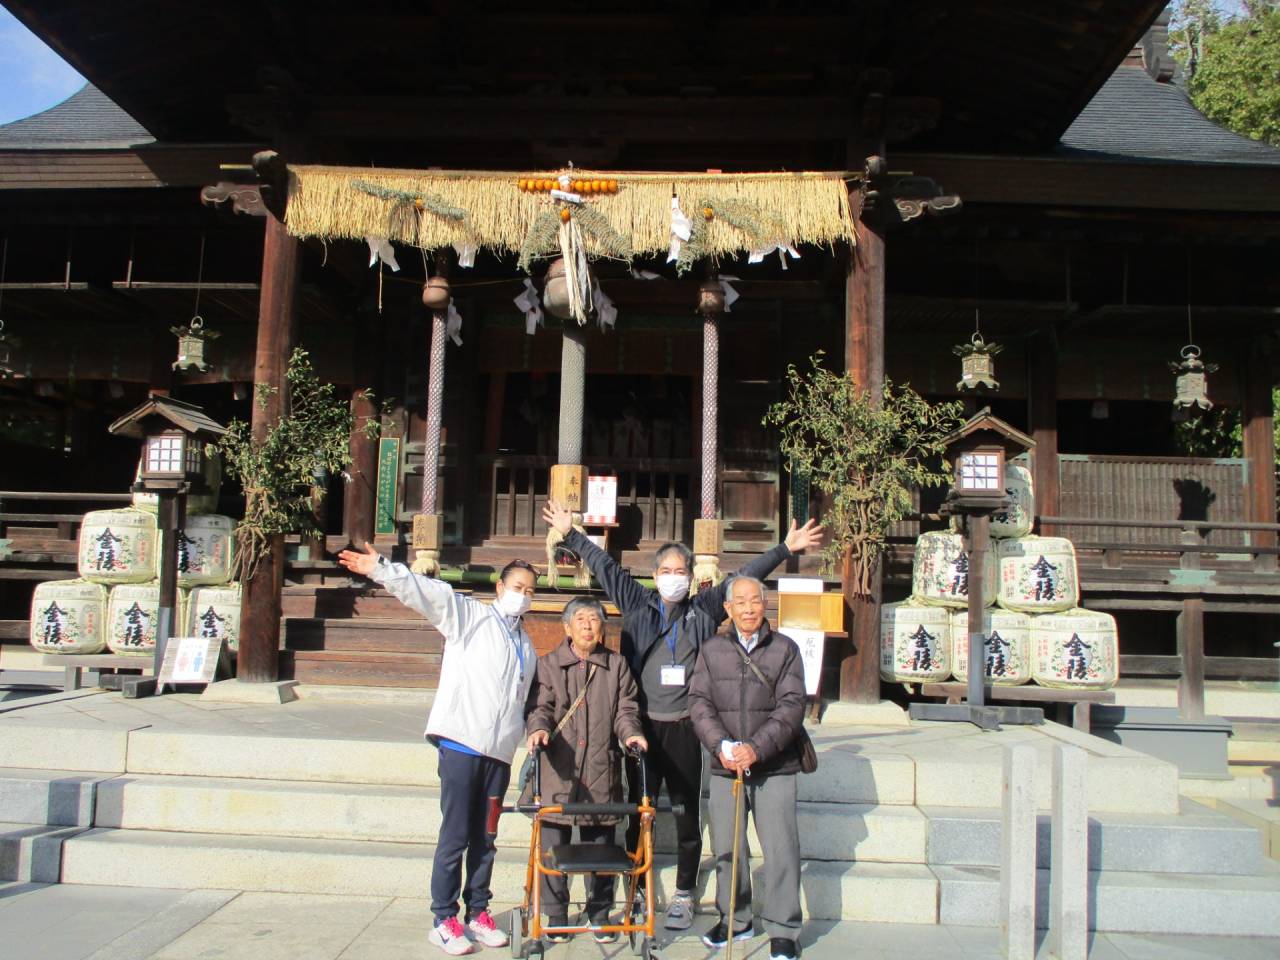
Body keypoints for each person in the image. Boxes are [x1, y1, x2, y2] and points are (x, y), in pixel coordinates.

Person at [540, 500, 822, 930]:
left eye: (680, 572)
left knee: (688, 814)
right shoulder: (635, 603)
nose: (673, 578)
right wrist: (571, 534)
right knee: (639, 811)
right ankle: (635, 889)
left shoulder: (703, 610)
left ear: (691, 578)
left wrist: (784, 547)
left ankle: (684, 894)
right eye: (666, 571)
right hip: (642, 728)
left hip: (690, 729)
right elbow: (604, 566)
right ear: (655, 576)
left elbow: (743, 583)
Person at [337, 543, 538, 957]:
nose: (523, 595)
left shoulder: (528, 646)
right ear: (500, 588)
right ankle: (444, 917)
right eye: (517, 586)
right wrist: (381, 568)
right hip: (462, 742)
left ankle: (477, 911)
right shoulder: (470, 616)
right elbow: (425, 592)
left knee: (486, 836)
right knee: (456, 834)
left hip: (498, 752)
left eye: (531, 590)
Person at [688, 574, 806, 960]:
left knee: (781, 848)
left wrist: (756, 748)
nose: (749, 608)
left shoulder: (785, 649)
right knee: (727, 847)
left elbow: (792, 707)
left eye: (755, 600)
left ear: (765, 604)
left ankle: (784, 928)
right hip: (726, 765)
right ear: (728, 608)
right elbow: (699, 702)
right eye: (740, 602)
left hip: (774, 765)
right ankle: (735, 918)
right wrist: (721, 744)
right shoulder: (711, 650)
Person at [523, 597, 647, 943]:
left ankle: (599, 912)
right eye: (581, 620)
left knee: (602, 847)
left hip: (600, 768)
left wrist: (632, 733)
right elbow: (540, 706)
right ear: (567, 628)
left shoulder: (617, 666)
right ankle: (557, 914)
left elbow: (626, 709)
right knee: (552, 844)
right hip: (558, 768)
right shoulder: (548, 665)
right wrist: (538, 728)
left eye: (595, 620)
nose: (589, 626)